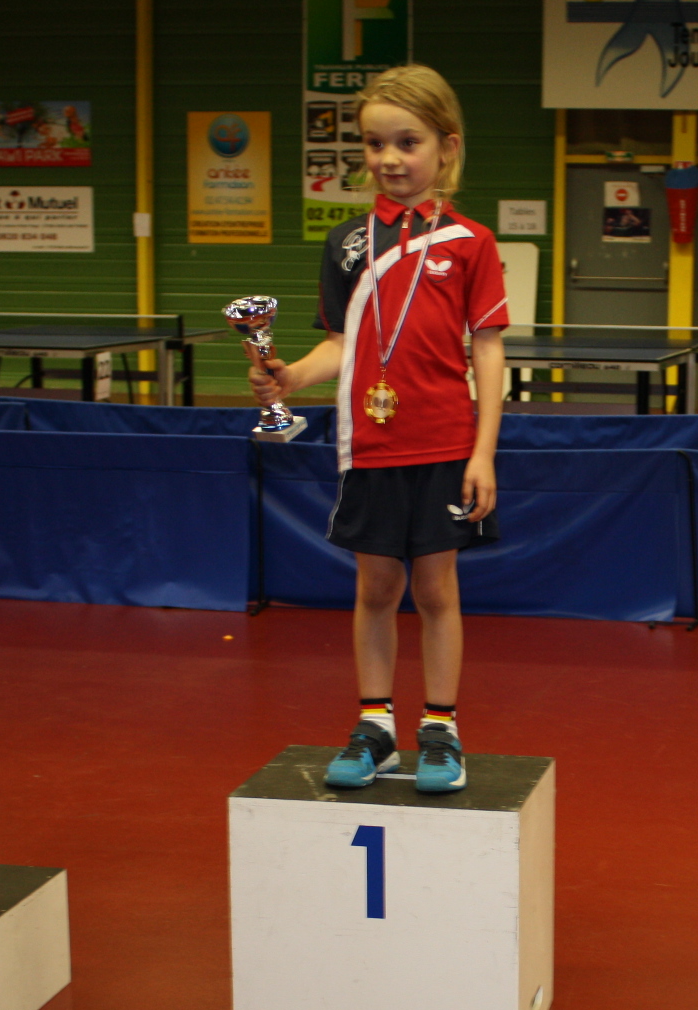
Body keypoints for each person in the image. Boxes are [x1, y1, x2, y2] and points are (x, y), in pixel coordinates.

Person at [249, 64, 507, 794]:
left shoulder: (471, 242)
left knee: (436, 588)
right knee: (376, 585)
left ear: (446, 146)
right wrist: (291, 377)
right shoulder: (347, 243)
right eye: (374, 143)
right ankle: (376, 727)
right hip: (369, 442)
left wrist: (484, 452)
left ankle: (441, 729)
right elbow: (342, 343)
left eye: (407, 142)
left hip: (446, 442)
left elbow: (488, 350)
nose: (390, 158)